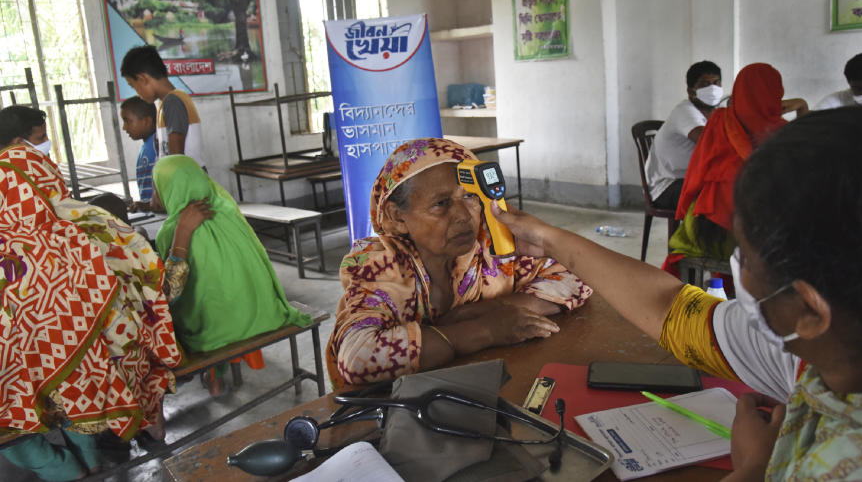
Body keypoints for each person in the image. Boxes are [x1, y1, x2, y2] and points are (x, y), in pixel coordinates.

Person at [493, 106, 862, 480]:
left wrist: (754, 470)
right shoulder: (852, 347)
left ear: (809, 309)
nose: (740, 274)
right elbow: (672, 310)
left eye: (747, 258)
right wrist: (549, 237)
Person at [327, 138, 592, 387]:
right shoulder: (380, 265)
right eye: (441, 203)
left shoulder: (492, 248)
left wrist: (496, 309)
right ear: (397, 217)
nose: (464, 216)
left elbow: (580, 274)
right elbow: (358, 358)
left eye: (470, 197)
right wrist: (486, 330)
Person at [0, 145, 181, 480]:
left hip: (27, 381)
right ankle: (92, 462)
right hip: (105, 371)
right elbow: (155, 286)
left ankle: (67, 471)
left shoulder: (12, 248)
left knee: (21, 428)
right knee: (73, 407)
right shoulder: (89, 226)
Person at [151, 155, 312, 393]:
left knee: (171, 315)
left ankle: (211, 377)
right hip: (258, 314)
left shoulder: (171, 232)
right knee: (221, 295)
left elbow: (173, 295)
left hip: (211, 333)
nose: (154, 195)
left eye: (156, 188)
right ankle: (216, 375)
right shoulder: (227, 212)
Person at [663, 63, 807, 274]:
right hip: (756, 239)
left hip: (705, 229)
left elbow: (696, 175)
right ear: (778, 92)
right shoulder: (783, 133)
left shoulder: (719, 121)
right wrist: (801, 107)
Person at [645, 61, 723, 210]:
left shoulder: (715, 112)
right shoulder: (685, 111)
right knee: (720, 195)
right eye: (705, 84)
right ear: (690, 91)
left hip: (690, 178)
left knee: (729, 187)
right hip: (667, 186)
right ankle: (703, 233)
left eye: (716, 83)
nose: (712, 89)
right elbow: (708, 141)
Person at [120, 46, 206, 168]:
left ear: (142, 79)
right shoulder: (163, 103)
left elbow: (176, 158)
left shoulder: (173, 101)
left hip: (187, 183)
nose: (137, 93)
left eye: (133, 86)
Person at [120, 96, 158, 212]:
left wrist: (150, 205)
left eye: (128, 121)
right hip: (152, 211)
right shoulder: (146, 147)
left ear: (146, 121)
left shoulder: (157, 146)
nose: (124, 127)